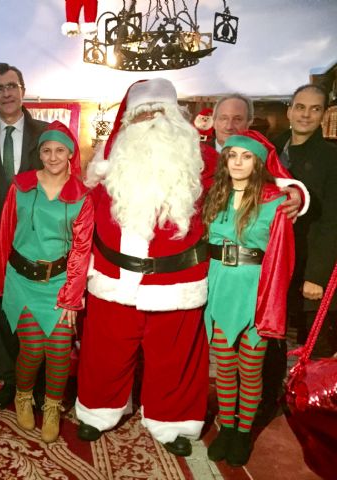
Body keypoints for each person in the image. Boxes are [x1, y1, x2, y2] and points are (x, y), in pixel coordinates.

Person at [76, 79, 305, 457]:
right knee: (105, 352)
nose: (153, 121)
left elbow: (261, 171)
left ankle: (172, 421)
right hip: (112, 279)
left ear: (178, 118)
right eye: (144, 114)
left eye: (161, 112)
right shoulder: (107, 164)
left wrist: (294, 191)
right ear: (129, 121)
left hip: (178, 281)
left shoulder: (207, 162)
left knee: (176, 357)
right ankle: (98, 412)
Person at [0, 121, 93, 442]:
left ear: (71, 154)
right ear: (39, 153)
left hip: (60, 283)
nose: (53, 156)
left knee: (60, 350)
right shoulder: (20, 186)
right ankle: (23, 396)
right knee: (32, 349)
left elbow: (81, 249)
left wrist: (72, 297)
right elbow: (4, 232)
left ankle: (51, 406)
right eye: (47, 150)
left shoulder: (82, 196)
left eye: (60, 150)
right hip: (22, 281)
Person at [203, 131, 295, 466]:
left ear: (258, 162)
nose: (238, 162)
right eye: (232, 156)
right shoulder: (216, 194)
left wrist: (271, 304)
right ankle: (227, 428)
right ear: (225, 160)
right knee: (224, 368)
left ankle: (243, 432)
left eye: (246, 156)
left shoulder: (276, 200)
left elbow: (282, 257)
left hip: (256, 291)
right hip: (219, 286)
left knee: (250, 369)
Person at [0, 62, 49, 409]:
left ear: (23, 90)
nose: (5, 93)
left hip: (36, 243)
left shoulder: (45, 133)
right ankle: (12, 380)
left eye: (11, 86)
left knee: (35, 314)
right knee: (1, 313)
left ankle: (41, 383)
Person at [274, 84, 337, 357]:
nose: (306, 115)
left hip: (309, 267)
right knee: (271, 346)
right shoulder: (270, 147)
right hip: (273, 267)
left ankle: (313, 401)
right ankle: (272, 399)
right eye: (300, 107)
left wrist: (316, 276)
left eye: (315, 109)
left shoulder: (331, 157)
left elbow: (332, 221)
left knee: (315, 350)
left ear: (324, 114)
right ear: (289, 111)